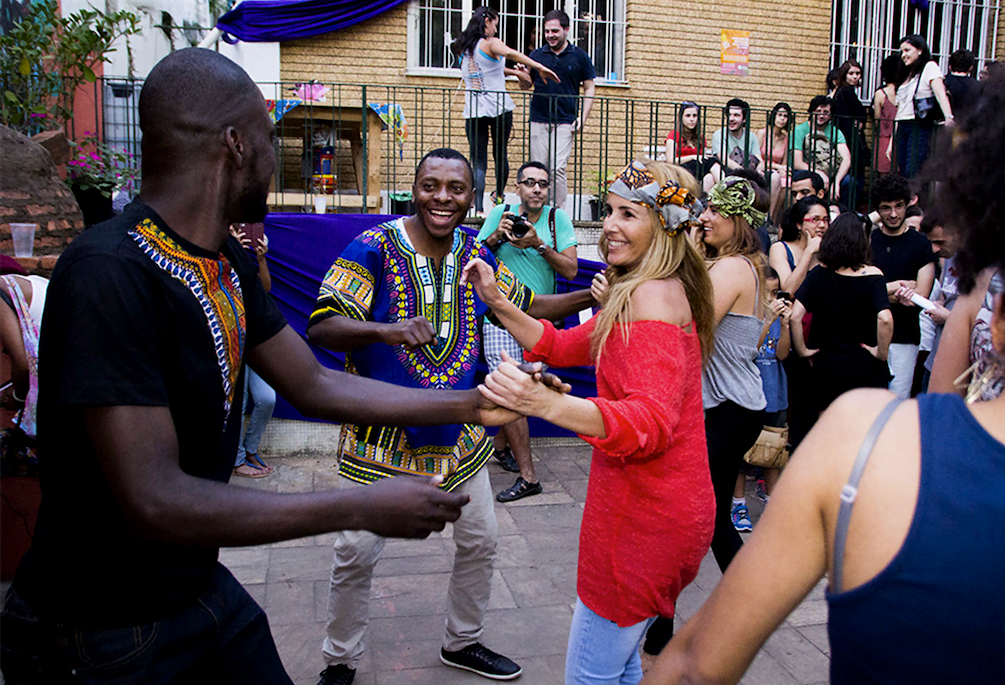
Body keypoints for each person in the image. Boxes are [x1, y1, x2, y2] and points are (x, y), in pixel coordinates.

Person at [0, 49, 524, 685]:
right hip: (99, 630)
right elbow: (154, 498)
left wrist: (480, 405)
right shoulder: (110, 272)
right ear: (235, 145)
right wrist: (356, 507)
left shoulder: (224, 260)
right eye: (271, 137)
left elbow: (316, 383)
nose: (280, 156)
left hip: (191, 586)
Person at [639, 69, 1005, 685]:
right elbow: (858, 322)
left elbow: (696, 669)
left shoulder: (869, 449)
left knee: (712, 516)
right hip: (773, 392)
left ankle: (681, 603)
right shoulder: (761, 269)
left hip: (734, 402)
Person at [306, 148, 594, 685]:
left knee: (480, 541)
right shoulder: (373, 247)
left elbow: (527, 305)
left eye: (456, 189)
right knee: (355, 552)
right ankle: (339, 662)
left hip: (461, 440)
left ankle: (462, 642)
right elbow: (322, 326)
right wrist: (384, 330)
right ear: (413, 189)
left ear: (471, 198)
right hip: (380, 437)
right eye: (431, 186)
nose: (443, 198)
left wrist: (600, 294)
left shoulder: (474, 254)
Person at [463, 159, 716, 685]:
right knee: (621, 666)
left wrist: (547, 406)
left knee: (590, 676)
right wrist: (495, 300)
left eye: (629, 213)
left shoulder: (649, 297)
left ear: (665, 226)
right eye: (608, 211)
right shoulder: (644, 288)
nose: (609, 225)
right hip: (657, 514)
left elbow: (650, 422)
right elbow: (560, 344)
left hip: (644, 523)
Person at [477, 160, 578, 501]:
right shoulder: (500, 214)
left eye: (543, 184)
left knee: (526, 385)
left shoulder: (556, 219)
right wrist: (495, 236)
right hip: (499, 315)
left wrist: (537, 244)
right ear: (517, 187)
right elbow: (473, 259)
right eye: (530, 183)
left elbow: (572, 268)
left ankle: (500, 447)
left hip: (539, 321)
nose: (537, 189)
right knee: (513, 386)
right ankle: (529, 476)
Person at [698, 177, 768, 573]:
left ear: (739, 221)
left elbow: (688, 323)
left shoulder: (731, 268)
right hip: (733, 407)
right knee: (713, 516)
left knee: (706, 515)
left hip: (730, 409)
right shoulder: (735, 265)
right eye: (706, 207)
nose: (704, 217)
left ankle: (746, 605)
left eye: (715, 211)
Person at [452, 6, 559, 215]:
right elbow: (510, 53)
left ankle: (479, 208)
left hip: (474, 110)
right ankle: (499, 198)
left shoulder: (463, 47)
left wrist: (513, 73)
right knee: (500, 155)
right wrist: (538, 66)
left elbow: (489, 69)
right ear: (487, 21)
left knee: (478, 160)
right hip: (499, 108)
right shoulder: (491, 43)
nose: (495, 29)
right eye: (495, 24)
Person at [791, 213, 893, 411]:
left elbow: (795, 316)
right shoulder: (873, 277)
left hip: (827, 365)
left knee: (828, 425)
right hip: (865, 365)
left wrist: (803, 351)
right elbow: (885, 319)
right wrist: (881, 352)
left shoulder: (819, 274)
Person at [516, 8, 596, 210]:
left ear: (566, 30)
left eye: (554, 31)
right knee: (536, 169)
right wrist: (521, 76)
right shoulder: (536, 55)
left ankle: (556, 213)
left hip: (565, 120)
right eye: (547, 31)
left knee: (557, 168)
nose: (550, 35)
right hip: (539, 118)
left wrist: (582, 118)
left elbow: (589, 87)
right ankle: (534, 210)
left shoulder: (579, 56)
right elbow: (527, 86)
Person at [870, 173, 936, 398]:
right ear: (878, 210)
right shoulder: (869, 241)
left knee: (897, 402)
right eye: (886, 208)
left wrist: (878, 292)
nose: (894, 214)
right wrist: (897, 287)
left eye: (899, 206)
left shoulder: (920, 244)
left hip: (905, 336)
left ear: (908, 204)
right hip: (869, 334)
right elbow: (859, 292)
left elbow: (920, 296)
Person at [230, 223, 278, 478]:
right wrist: (233, 251)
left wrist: (260, 257)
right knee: (239, 401)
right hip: (233, 336)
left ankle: (249, 450)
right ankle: (236, 461)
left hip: (254, 337)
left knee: (266, 398)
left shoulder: (248, 248)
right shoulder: (218, 246)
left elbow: (265, 289)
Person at [894, 34, 954, 178]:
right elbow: (899, 108)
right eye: (902, 51)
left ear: (920, 50)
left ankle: (914, 199)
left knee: (912, 171)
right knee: (903, 170)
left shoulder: (930, 67)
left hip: (918, 125)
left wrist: (948, 117)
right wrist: (892, 139)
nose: (903, 55)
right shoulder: (906, 73)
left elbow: (940, 94)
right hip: (902, 125)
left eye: (907, 50)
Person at [792, 96, 851, 202]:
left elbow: (846, 159)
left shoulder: (835, 132)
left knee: (848, 181)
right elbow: (797, 162)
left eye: (826, 112)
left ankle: (839, 212)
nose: (821, 115)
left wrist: (836, 182)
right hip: (807, 170)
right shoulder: (800, 130)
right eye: (818, 111)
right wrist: (820, 173)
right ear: (811, 112)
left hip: (831, 172)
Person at [830, 60, 869, 205]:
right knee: (855, 178)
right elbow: (861, 113)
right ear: (844, 74)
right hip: (849, 139)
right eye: (851, 73)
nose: (855, 77)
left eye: (858, 73)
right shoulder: (845, 91)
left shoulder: (840, 91)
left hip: (846, 138)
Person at [704, 99, 762, 193]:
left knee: (773, 178)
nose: (731, 118)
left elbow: (759, 160)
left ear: (744, 119)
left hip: (749, 174)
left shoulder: (751, 136)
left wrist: (757, 173)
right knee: (708, 179)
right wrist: (745, 173)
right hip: (725, 173)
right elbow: (723, 159)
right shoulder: (719, 134)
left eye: (736, 115)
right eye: (729, 115)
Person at [756, 102, 793, 220]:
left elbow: (784, 164)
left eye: (785, 116)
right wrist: (779, 168)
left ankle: (772, 217)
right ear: (773, 116)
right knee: (775, 178)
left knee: (786, 183)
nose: (782, 119)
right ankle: (765, 216)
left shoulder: (786, 138)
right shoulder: (763, 133)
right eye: (779, 115)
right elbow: (756, 158)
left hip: (776, 171)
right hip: (761, 169)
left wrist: (782, 169)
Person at [664, 101, 712, 182]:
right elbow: (670, 161)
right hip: (681, 171)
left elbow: (703, 159)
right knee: (712, 163)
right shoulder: (674, 135)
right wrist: (692, 157)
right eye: (688, 116)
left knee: (709, 177)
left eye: (695, 116)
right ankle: (726, 185)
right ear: (681, 117)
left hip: (698, 172)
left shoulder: (701, 138)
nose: (692, 119)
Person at [873, 54, 901, 174]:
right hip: (901, 138)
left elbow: (877, 120)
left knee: (883, 177)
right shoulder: (905, 92)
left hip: (883, 139)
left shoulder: (881, 94)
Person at [943, 49, 979, 120]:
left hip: (944, 126)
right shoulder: (978, 86)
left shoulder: (942, 83)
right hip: (968, 126)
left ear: (950, 66)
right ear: (971, 67)